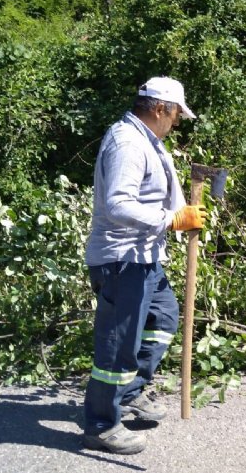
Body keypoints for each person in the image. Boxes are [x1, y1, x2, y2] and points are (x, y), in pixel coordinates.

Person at [82, 77, 207, 454]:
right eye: (176, 115)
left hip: (146, 258)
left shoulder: (150, 141)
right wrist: (172, 221)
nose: (177, 123)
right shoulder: (127, 143)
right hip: (122, 261)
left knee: (164, 318)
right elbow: (118, 205)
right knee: (119, 346)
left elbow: (164, 193)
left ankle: (131, 391)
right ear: (159, 109)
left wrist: (187, 212)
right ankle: (101, 425)